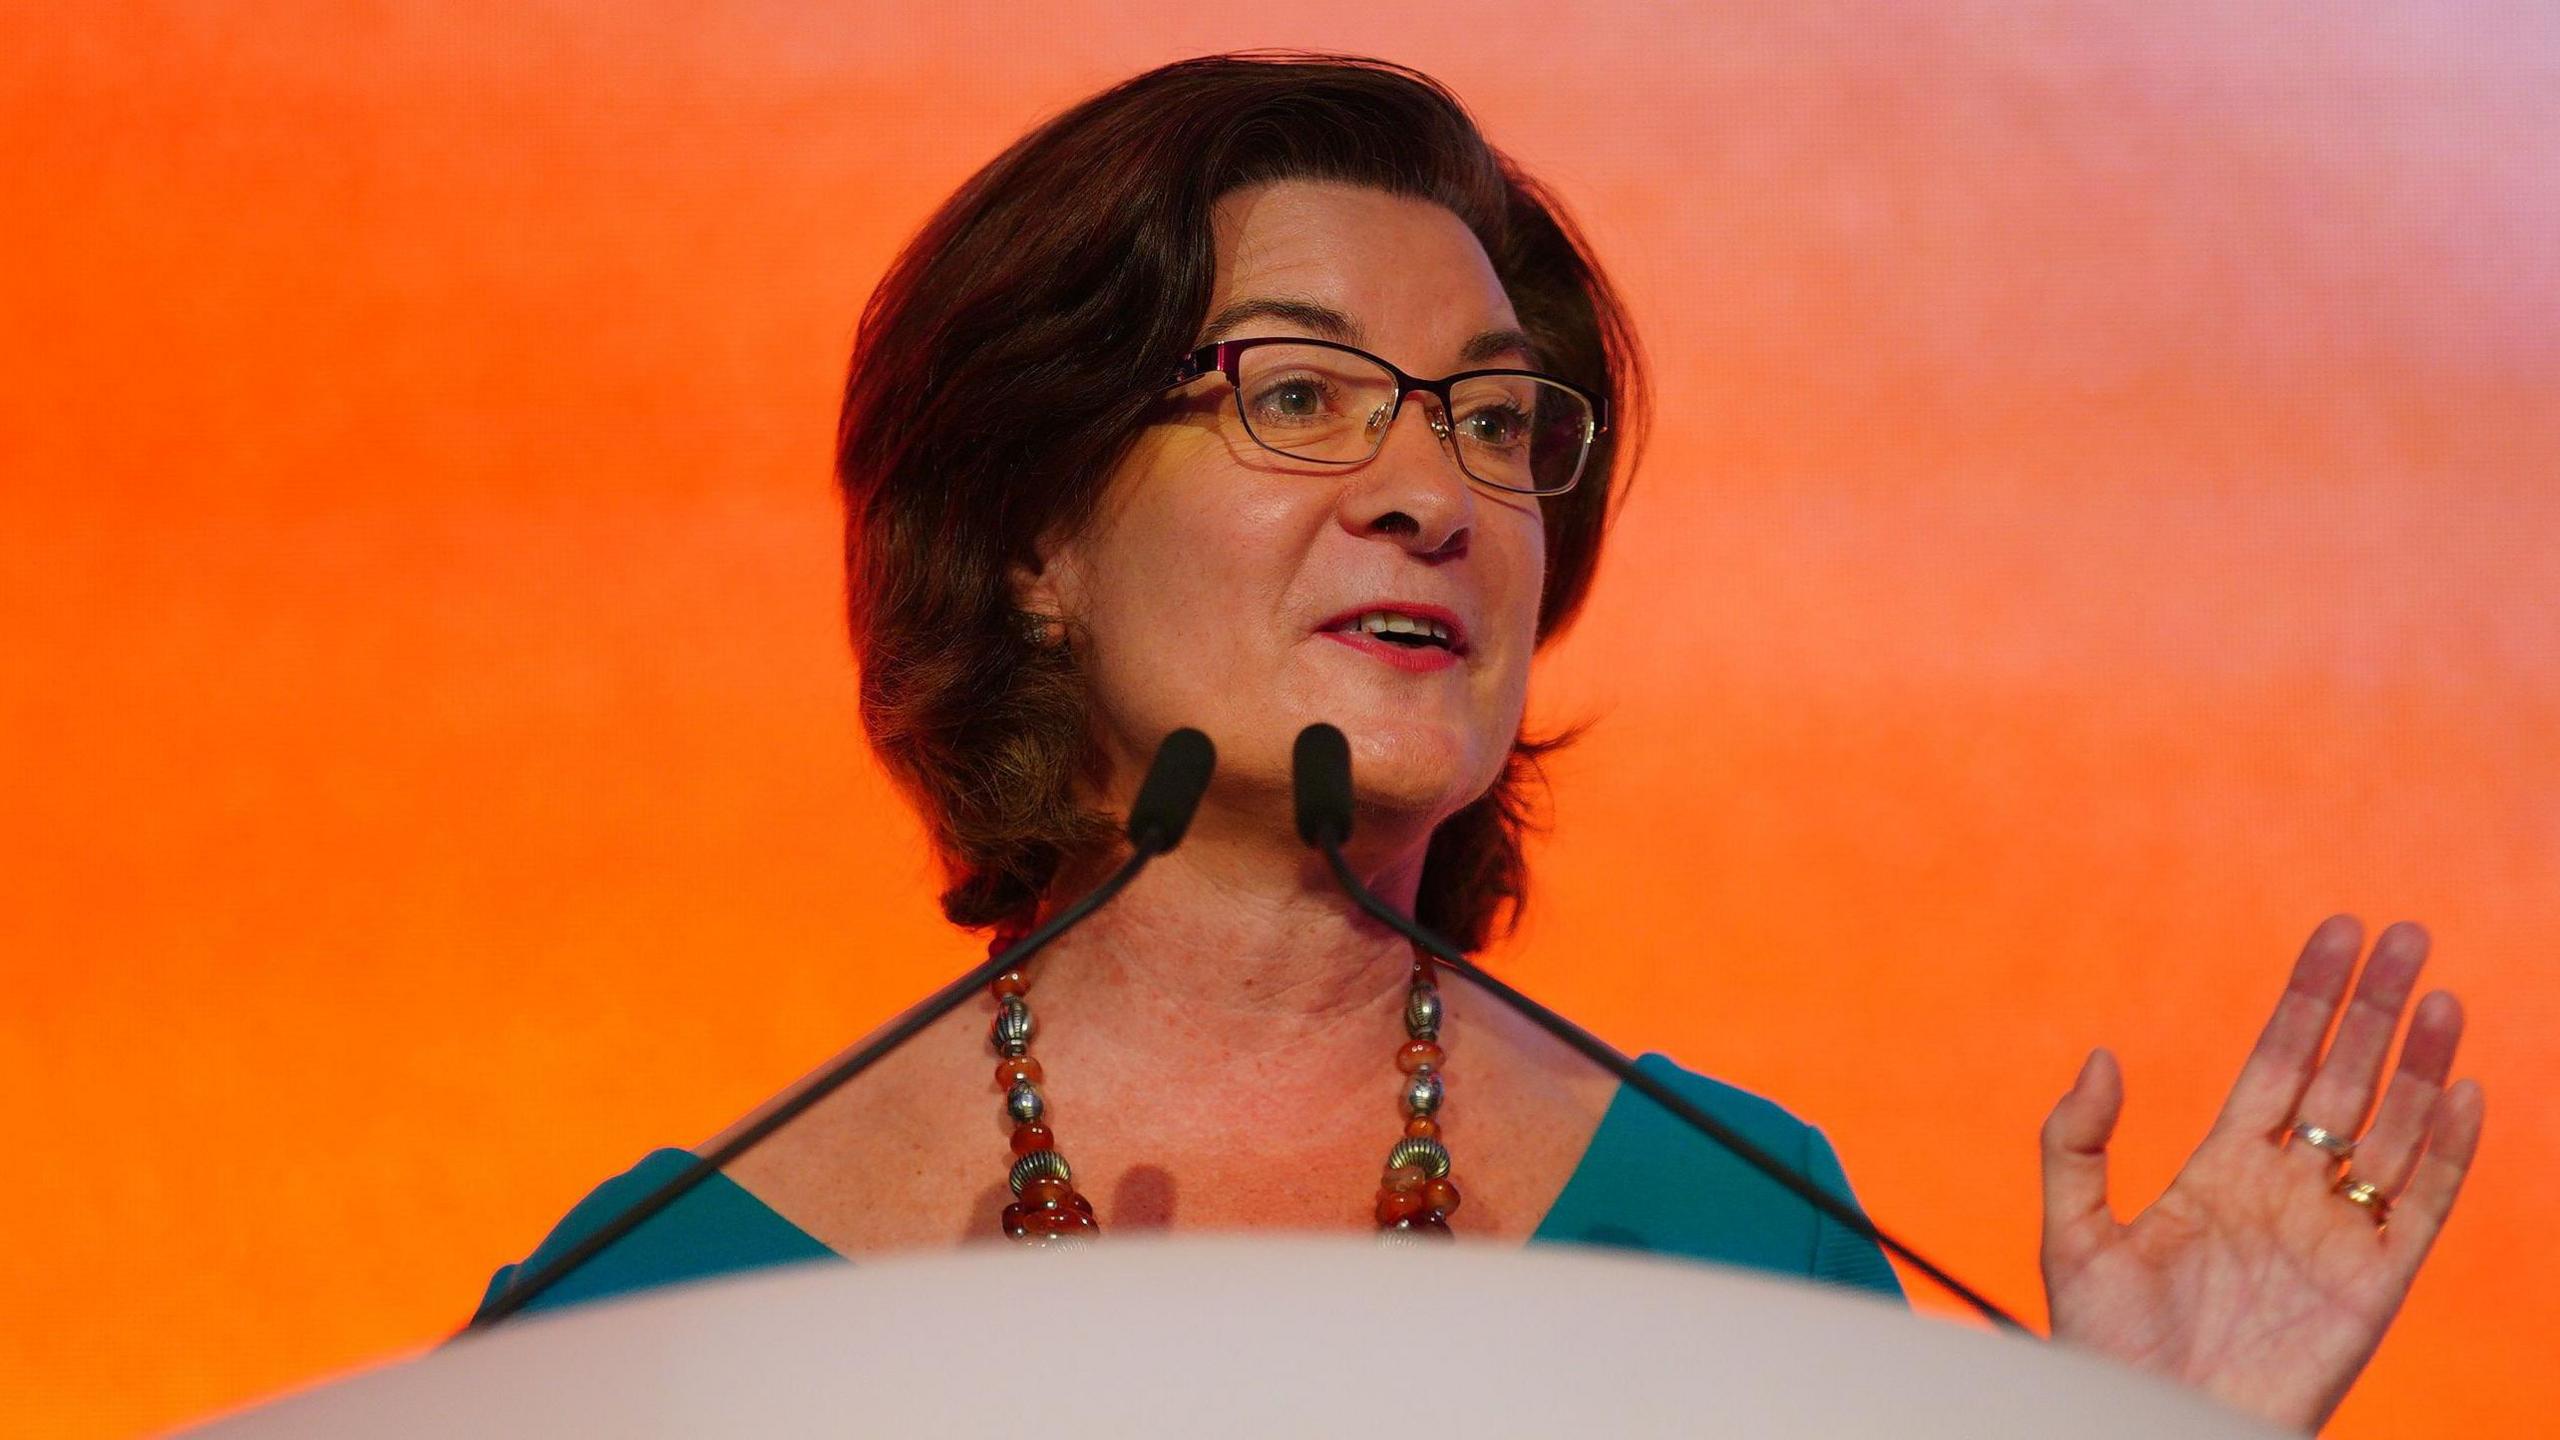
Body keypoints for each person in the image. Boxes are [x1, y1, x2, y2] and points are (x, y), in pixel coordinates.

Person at [474, 53, 2482, 1432]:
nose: (1432, 494)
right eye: (1299, 396)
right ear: (1029, 537)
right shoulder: (657, 1305)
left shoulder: (1740, 1222)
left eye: (1495, 421)